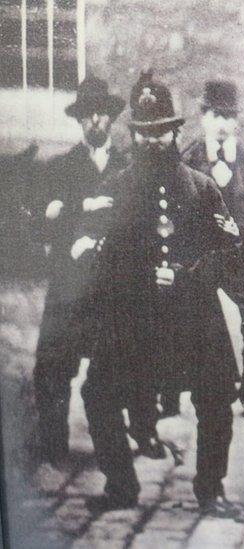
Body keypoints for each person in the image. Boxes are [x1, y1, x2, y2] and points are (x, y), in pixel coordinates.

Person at [75, 71, 243, 517]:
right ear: (133, 134)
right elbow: (98, 256)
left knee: (217, 395)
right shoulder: (113, 189)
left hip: (193, 317)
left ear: (175, 131)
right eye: (144, 133)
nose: (153, 141)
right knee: (98, 394)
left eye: (161, 131)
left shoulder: (202, 187)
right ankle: (121, 487)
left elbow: (228, 251)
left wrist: (188, 277)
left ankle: (211, 489)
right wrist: (139, 278)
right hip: (133, 318)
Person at [31, 76, 141, 465]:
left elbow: (135, 223)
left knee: (123, 366)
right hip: (70, 287)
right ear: (79, 121)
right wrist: (65, 217)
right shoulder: (59, 169)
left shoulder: (129, 167)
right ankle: (54, 446)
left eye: (102, 115)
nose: (95, 122)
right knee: (51, 366)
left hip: (112, 287)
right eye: (87, 115)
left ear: (111, 119)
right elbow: (42, 227)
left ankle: (129, 441)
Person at [183, 80, 244, 421]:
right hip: (201, 257)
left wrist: (242, 230)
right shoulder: (187, 161)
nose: (221, 124)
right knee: (185, 315)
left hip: (238, 258)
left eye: (228, 116)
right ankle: (180, 389)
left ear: (236, 122)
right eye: (215, 115)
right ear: (203, 117)